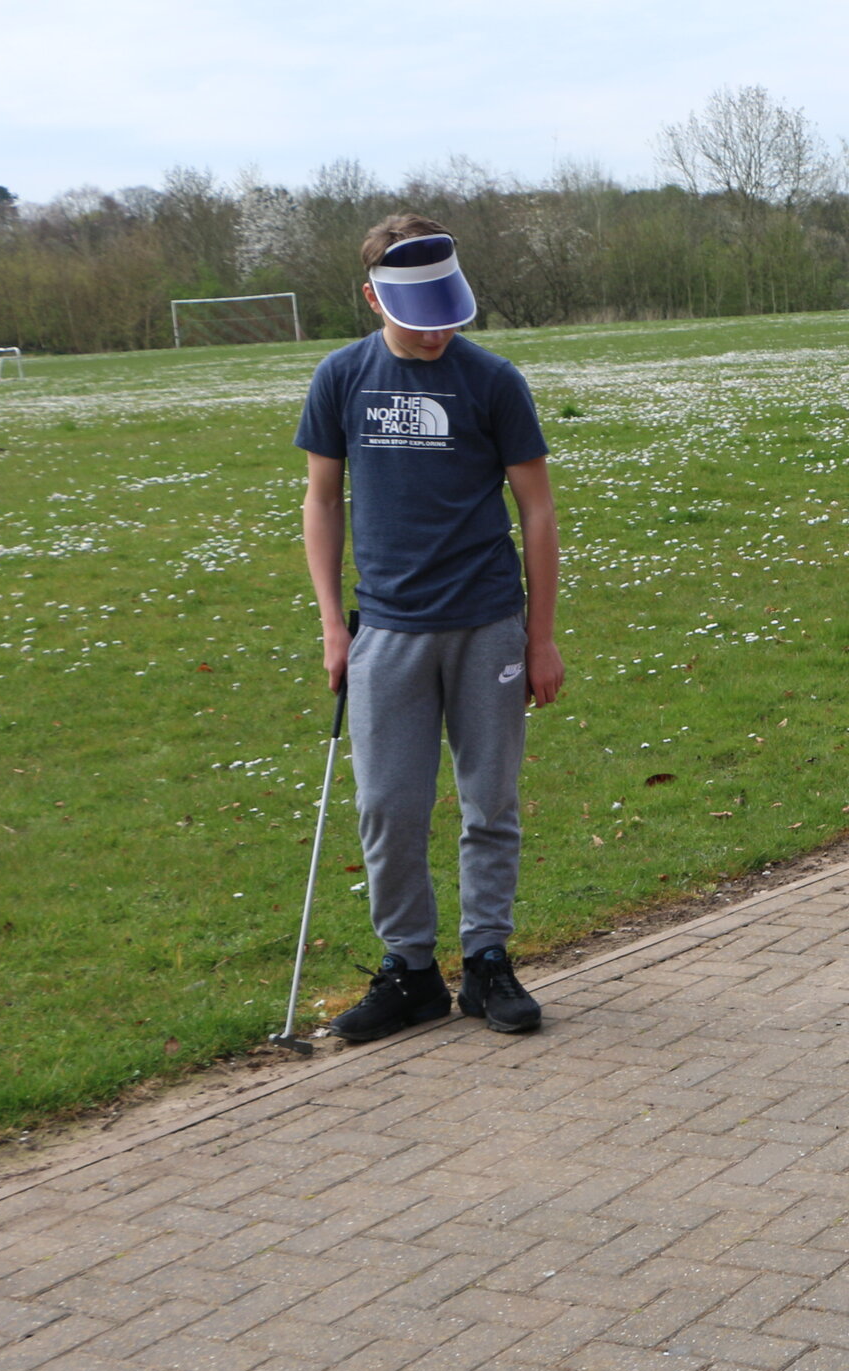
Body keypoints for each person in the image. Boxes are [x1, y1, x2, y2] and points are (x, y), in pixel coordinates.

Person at [296, 213, 564, 1043]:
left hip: (487, 623)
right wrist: (334, 626)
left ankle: (487, 961)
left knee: (490, 801)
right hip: (386, 630)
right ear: (374, 296)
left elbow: (539, 510)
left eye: (449, 310)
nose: (440, 329)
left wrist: (542, 634)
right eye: (421, 314)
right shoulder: (341, 378)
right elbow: (322, 499)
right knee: (387, 806)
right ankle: (410, 969)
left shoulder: (493, 381)